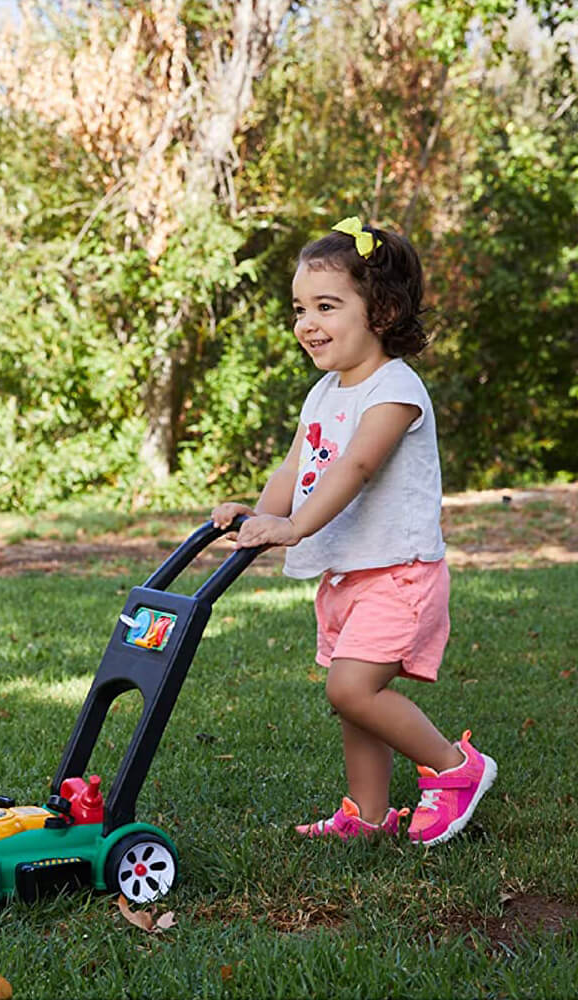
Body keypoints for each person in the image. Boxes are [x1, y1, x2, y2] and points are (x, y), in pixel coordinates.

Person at [212, 217, 496, 845]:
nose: (306, 322)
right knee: (352, 697)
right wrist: (258, 515)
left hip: (399, 573)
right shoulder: (323, 393)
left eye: (327, 306)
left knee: (351, 688)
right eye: (300, 308)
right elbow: (298, 466)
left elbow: (357, 467)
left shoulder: (395, 390)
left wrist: (291, 527)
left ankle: (456, 769)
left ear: (383, 310)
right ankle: (368, 815)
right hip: (349, 573)